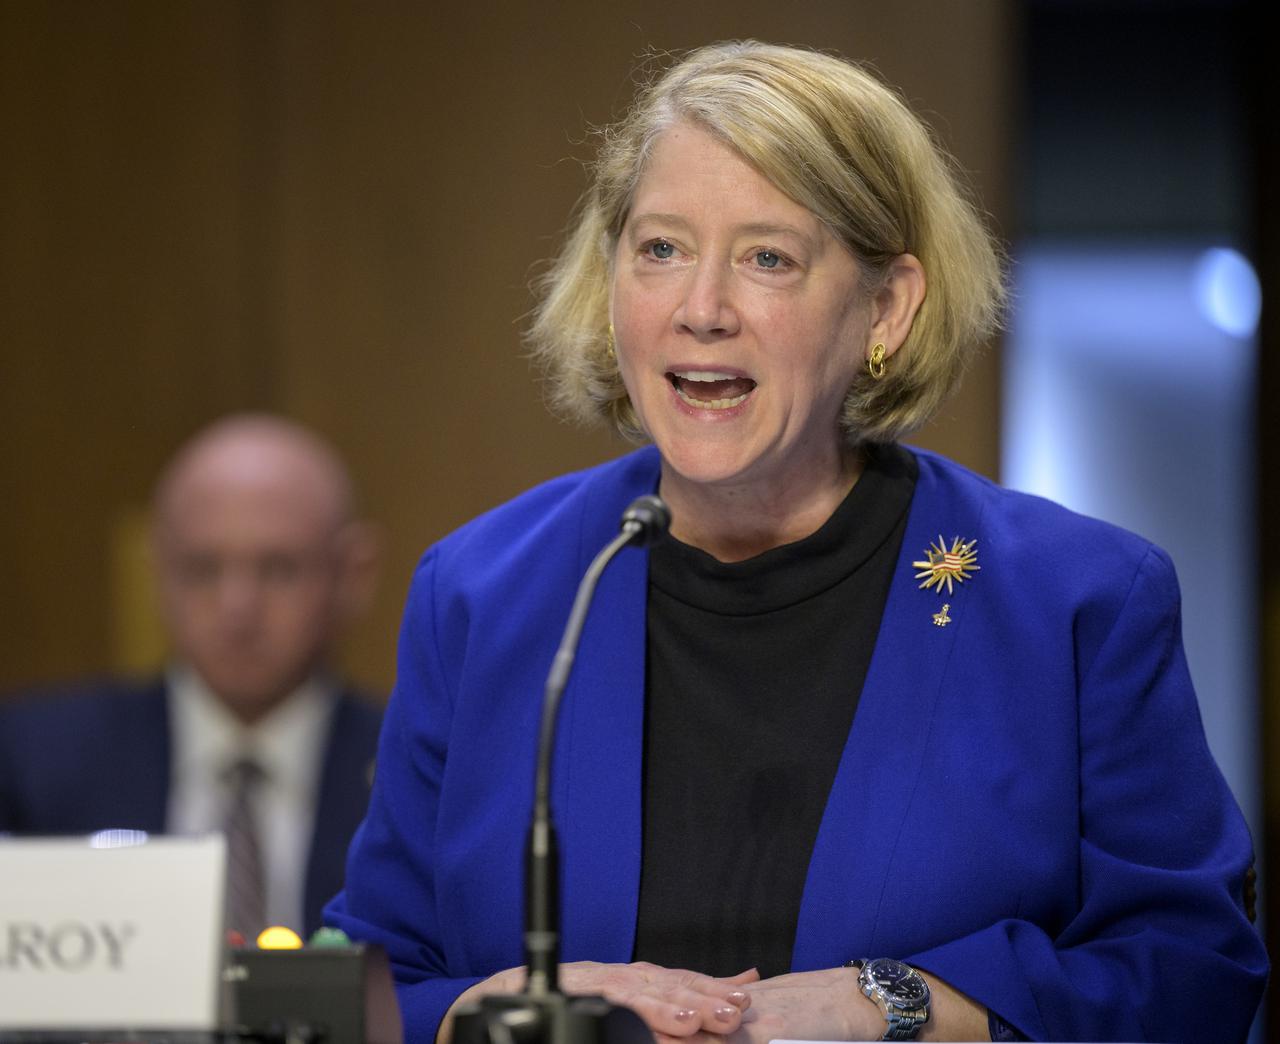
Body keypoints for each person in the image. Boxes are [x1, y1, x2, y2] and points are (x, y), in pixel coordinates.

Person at [325, 42, 1266, 1042]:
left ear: (884, 306)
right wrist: (499, 1009)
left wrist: (902, 1008)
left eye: (766, 258)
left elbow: (1190, 971)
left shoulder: (1074, 600)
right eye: (660, 250)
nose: (700, 310)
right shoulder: (481, 590)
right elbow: (373, 978)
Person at [0, 413, 383, 937]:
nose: (237, 607)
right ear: (158, 571)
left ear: (352, 576)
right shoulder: (35, 762)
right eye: (202, 568)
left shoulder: (412, 770)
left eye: (278, 568)